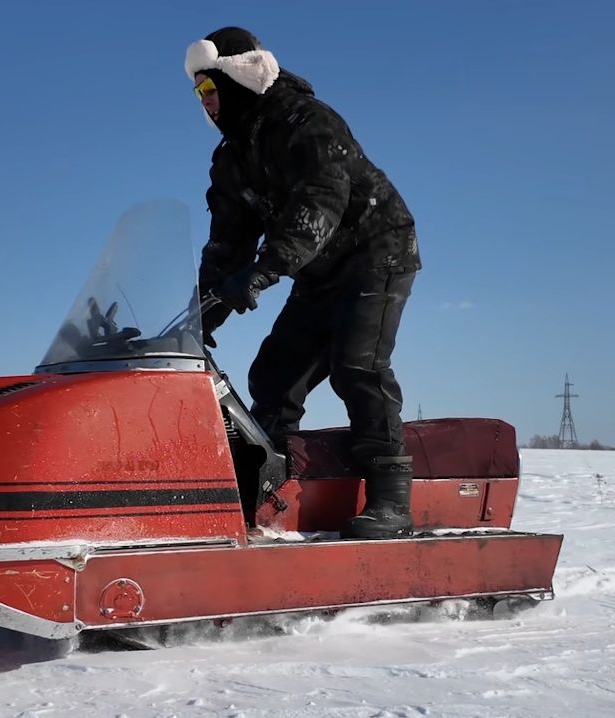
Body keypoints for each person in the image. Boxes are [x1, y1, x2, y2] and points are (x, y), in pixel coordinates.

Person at [187, 27, 421, 539]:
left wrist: (265, 270)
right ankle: (274, 489)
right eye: (197, 91)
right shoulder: (231, 158)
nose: (204, 101)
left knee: (358, 365)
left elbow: (321, 203)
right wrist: (197, 314)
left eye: (210, 88)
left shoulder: (308, 122)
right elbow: (227, 243)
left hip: (376, 251)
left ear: (239, 78)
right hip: (316, 270)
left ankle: (391, 499)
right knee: (274, 376)